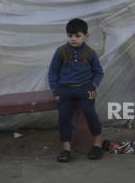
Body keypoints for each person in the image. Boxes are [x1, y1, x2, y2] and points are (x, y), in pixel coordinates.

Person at [48, 18, 104, 162]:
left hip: (87, 88)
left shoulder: (90, 53)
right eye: (70, 35)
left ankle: (97, 143)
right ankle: (66, 148)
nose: (73, 39)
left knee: (90, 112)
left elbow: (99, 72)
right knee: (64, 116)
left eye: (77, 36)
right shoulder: (61, 51)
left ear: (86, 36)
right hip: (64, 90)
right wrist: (55, 90)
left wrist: (94, 85)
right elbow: (53, 72)